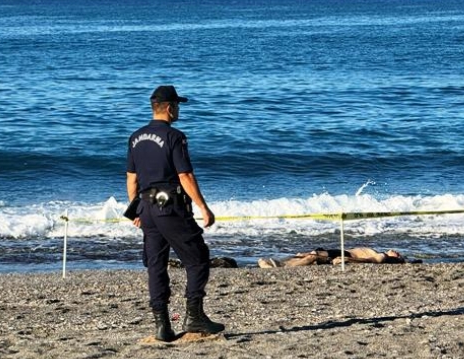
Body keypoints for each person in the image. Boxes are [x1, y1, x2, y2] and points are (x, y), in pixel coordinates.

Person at [126, 85, 224, 342]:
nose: (178, 109)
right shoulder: (175, 137)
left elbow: (131, 179)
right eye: (177, 105)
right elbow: (185, 175)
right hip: (170, 207)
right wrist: (203, 207)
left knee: (156, 266)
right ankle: (194, 315)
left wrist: (136, 209)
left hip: (147, 207)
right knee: (198, 257)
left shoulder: (135, 137)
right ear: (169, 108)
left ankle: (162, 325)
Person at [258, 247, 406, 268]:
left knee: (313, 257)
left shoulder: (381, 256)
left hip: (344, 254)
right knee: (310, 254)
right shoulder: (379, 252)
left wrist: (347, 260)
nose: (395, 251)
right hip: (342, 251)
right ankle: (274, 264)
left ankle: (284, 267)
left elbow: (370, 261)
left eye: (398, 254)